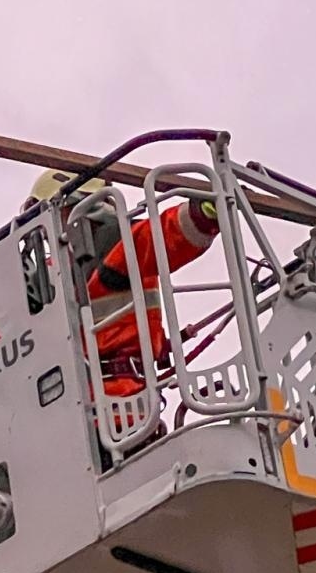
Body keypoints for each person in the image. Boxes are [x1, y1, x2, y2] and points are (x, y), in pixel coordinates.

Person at [24, 169, 221, 452]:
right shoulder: (56, 271)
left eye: (52, 219)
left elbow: (169, 234)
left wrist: (204, 212)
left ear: (79, 210)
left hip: (115, 412)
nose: (49, 235)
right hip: (85, 414)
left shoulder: (117, 244)